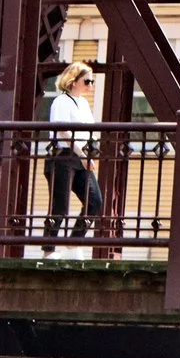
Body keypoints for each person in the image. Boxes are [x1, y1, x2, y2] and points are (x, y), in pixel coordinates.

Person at [40, 62, 104, 249]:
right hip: (63, 157)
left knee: (95, 201)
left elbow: (89, 131)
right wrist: (83, 155)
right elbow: (63, 131)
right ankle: (48, 249)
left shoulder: (83, 103)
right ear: (73, 81)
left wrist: (89, 152)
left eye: (92, 81)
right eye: (87, 81)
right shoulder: (61, 101)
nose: (90, 85)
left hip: (80, 156)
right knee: (60, 206)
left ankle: (73, 244)